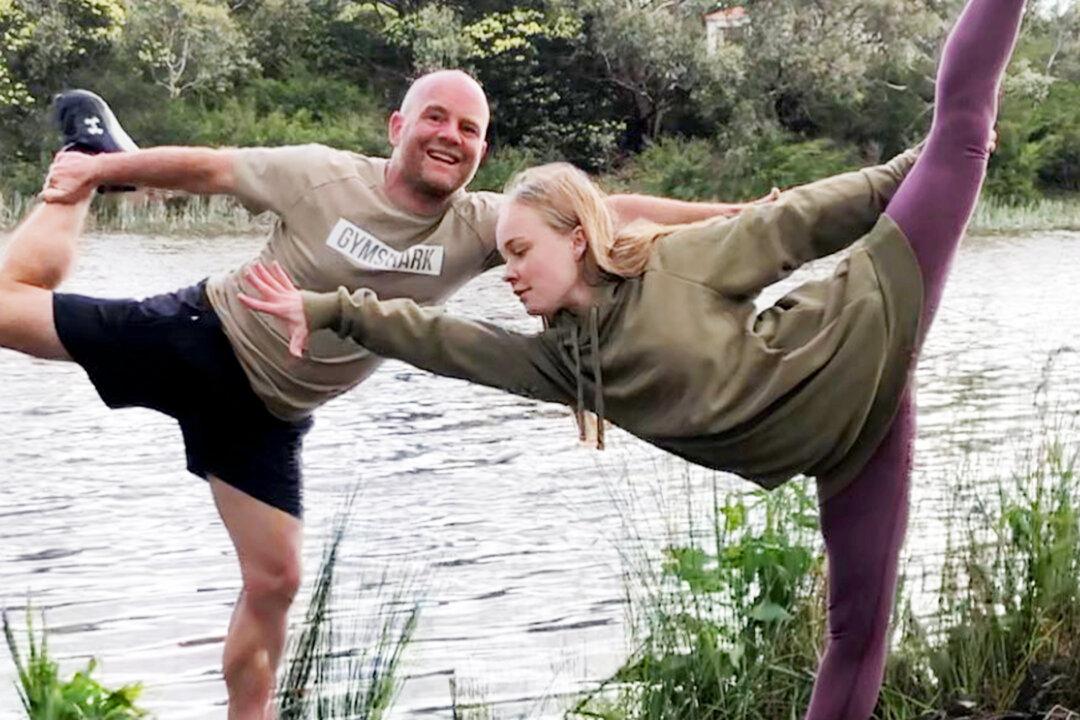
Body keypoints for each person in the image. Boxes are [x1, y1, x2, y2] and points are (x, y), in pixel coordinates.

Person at [240, 2, 1025, 717]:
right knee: (856, 633)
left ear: (576, 239)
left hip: (868, 324)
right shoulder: (557, 364)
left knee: (960, 130)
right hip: (852, 442)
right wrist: (326, 308)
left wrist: (912, 173)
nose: (507, 272)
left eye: (519, 252)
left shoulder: (673, 261)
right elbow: (438, 340)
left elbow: (796, 224)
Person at [0, 70, 769, 718]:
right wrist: (98, 176)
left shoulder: (479, 224)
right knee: (7, 306)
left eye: (469, 128)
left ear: (482, 151)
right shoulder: (321, 174)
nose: (450, 135)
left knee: (277, 580)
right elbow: (208, 168)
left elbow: (616, 214)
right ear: (398, 124)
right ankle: (79, 164)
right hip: (198, 339)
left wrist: (739, 217)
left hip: (269, 415)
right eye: (435, 116)